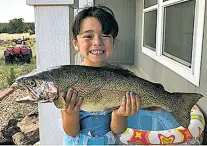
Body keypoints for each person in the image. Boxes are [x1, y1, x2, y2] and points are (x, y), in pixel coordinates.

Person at [61, 5, 141, 145]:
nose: (97, 42)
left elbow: (118, 130)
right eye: (88, 36)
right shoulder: (68, 78)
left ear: (113, 42)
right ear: (76, 43)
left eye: (105, 35)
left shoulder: (123, 79)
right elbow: (71, 131)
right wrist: (70, 113)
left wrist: (119, 114)